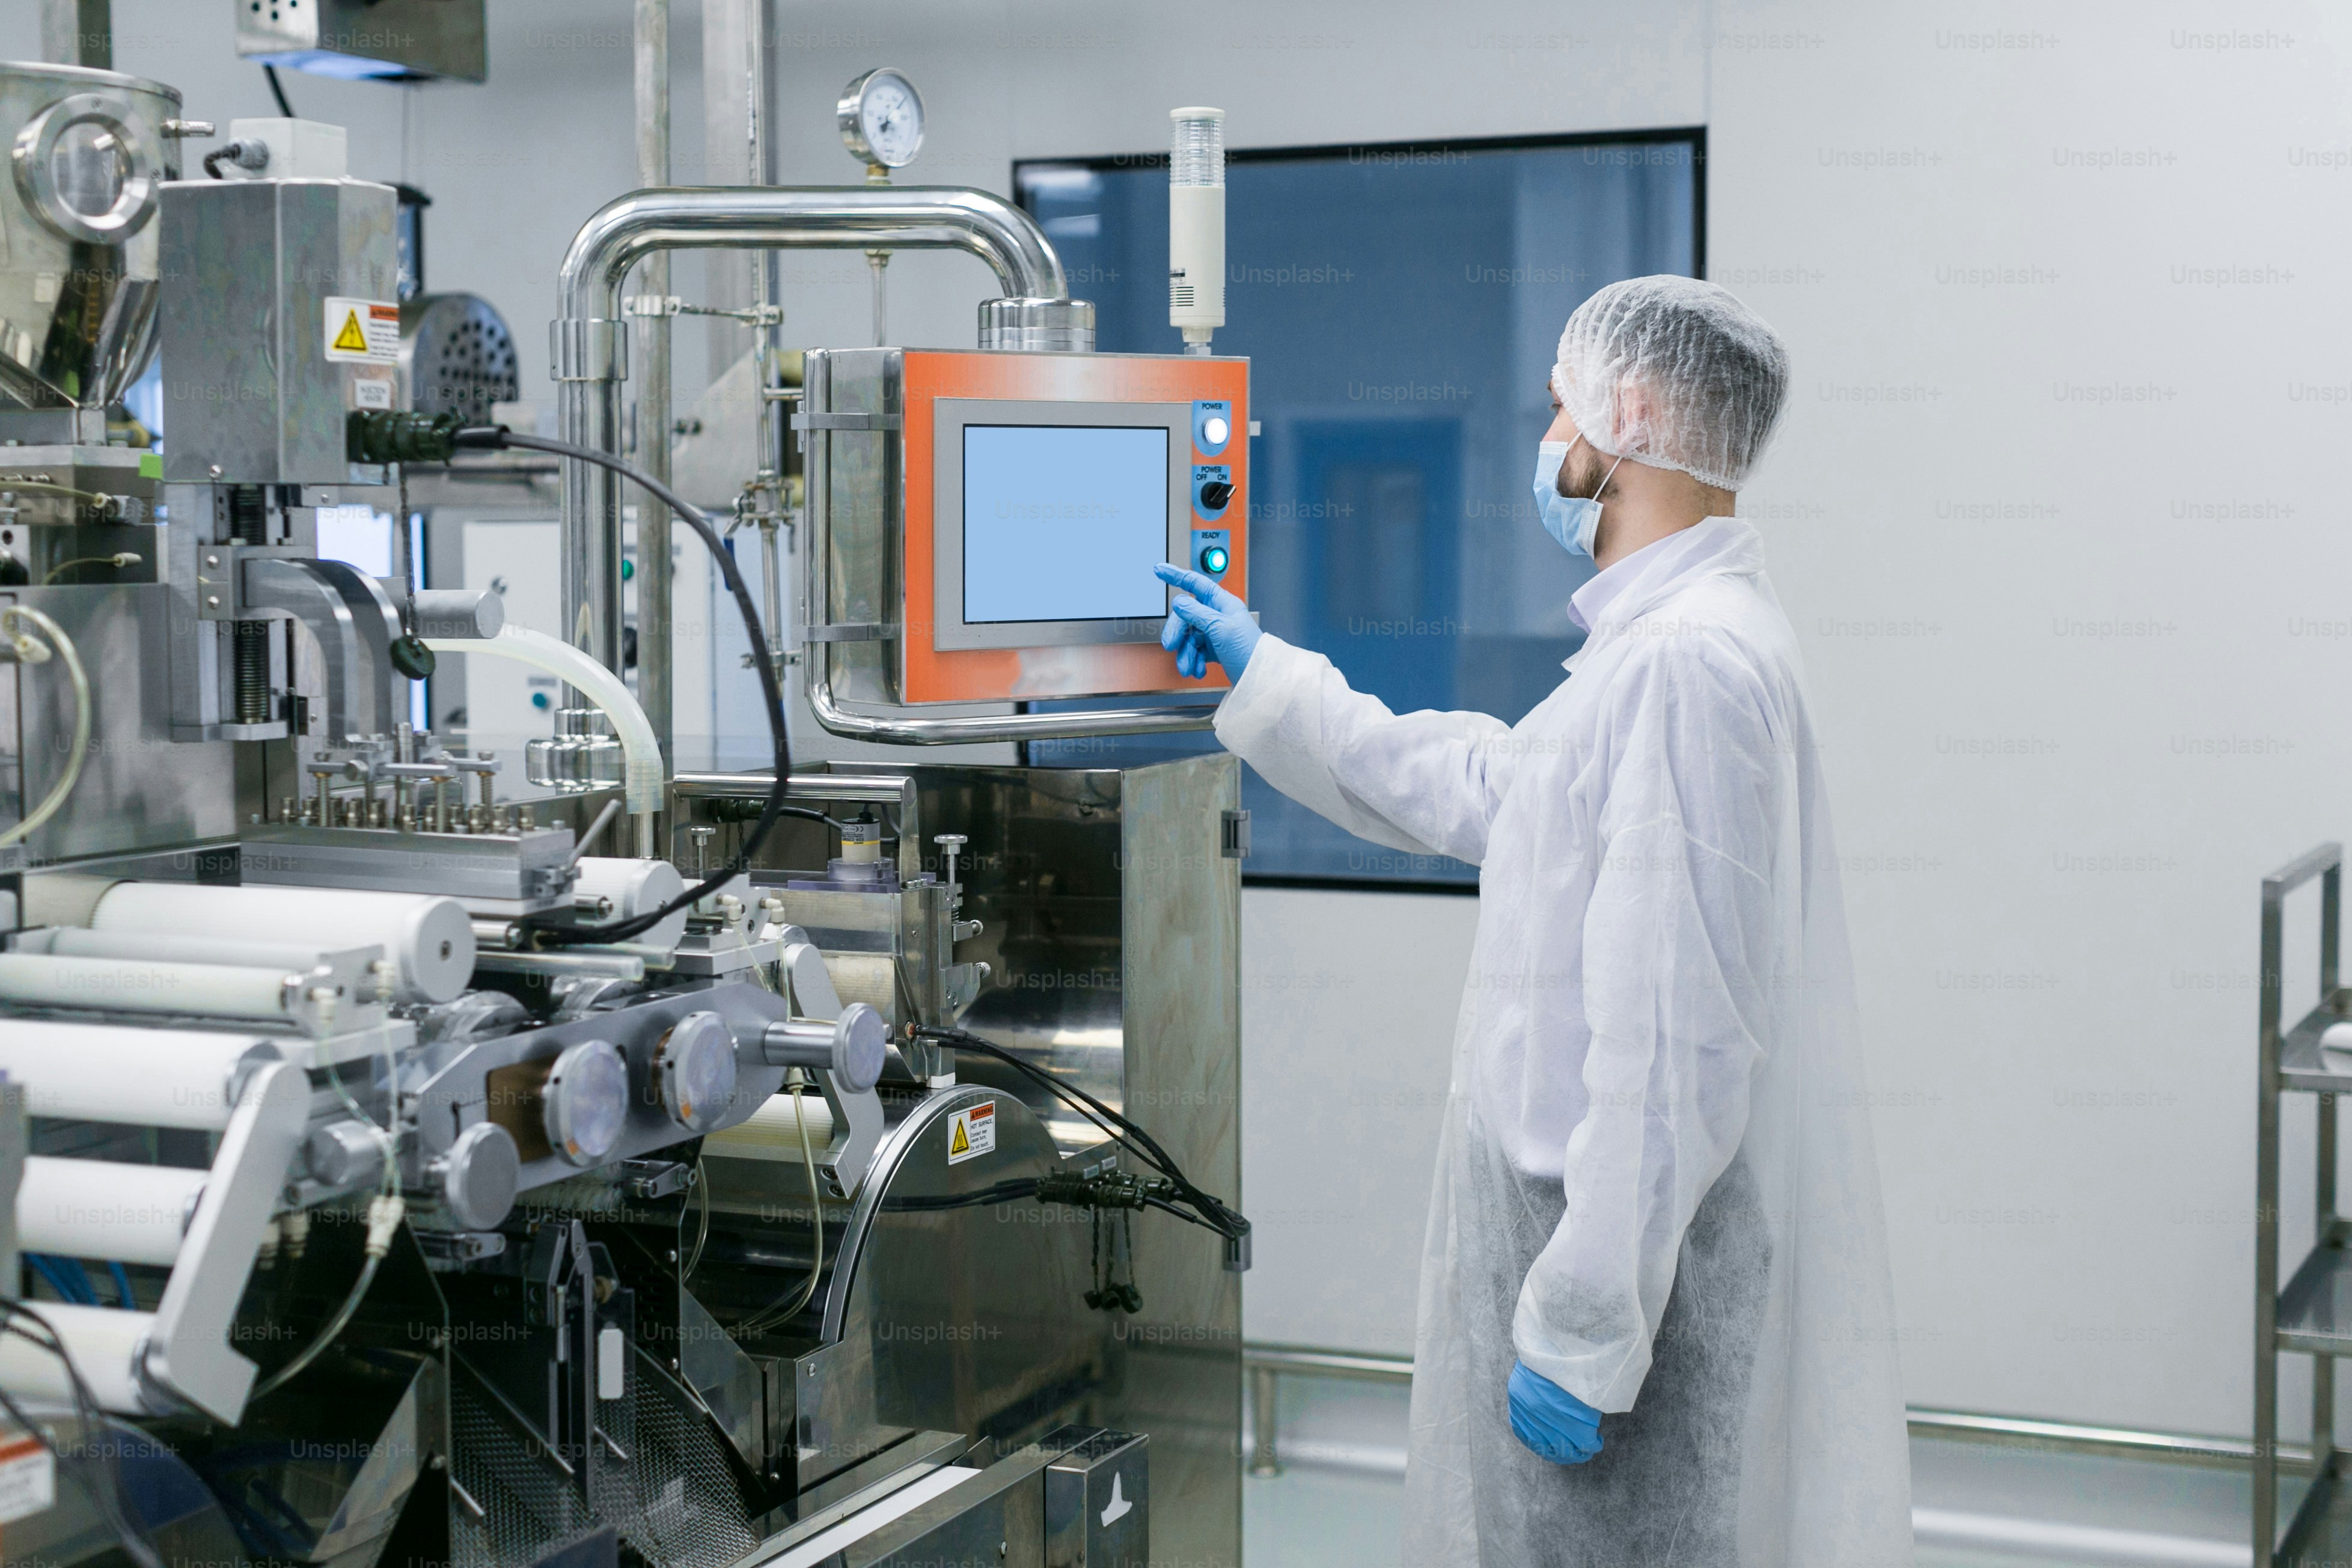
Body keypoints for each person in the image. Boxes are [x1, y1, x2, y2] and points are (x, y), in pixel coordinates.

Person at [1158, 276, 1914, 1565]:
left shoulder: (1683, 662)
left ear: (1629, 413)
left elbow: (1676, 1035)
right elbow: (1493, 788)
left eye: (1559, 407)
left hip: (1620, 1285)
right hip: (1604, 1250)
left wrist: (1583, 1328)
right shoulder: (1663, 646)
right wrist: (1268, 674)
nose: (1548, 437)